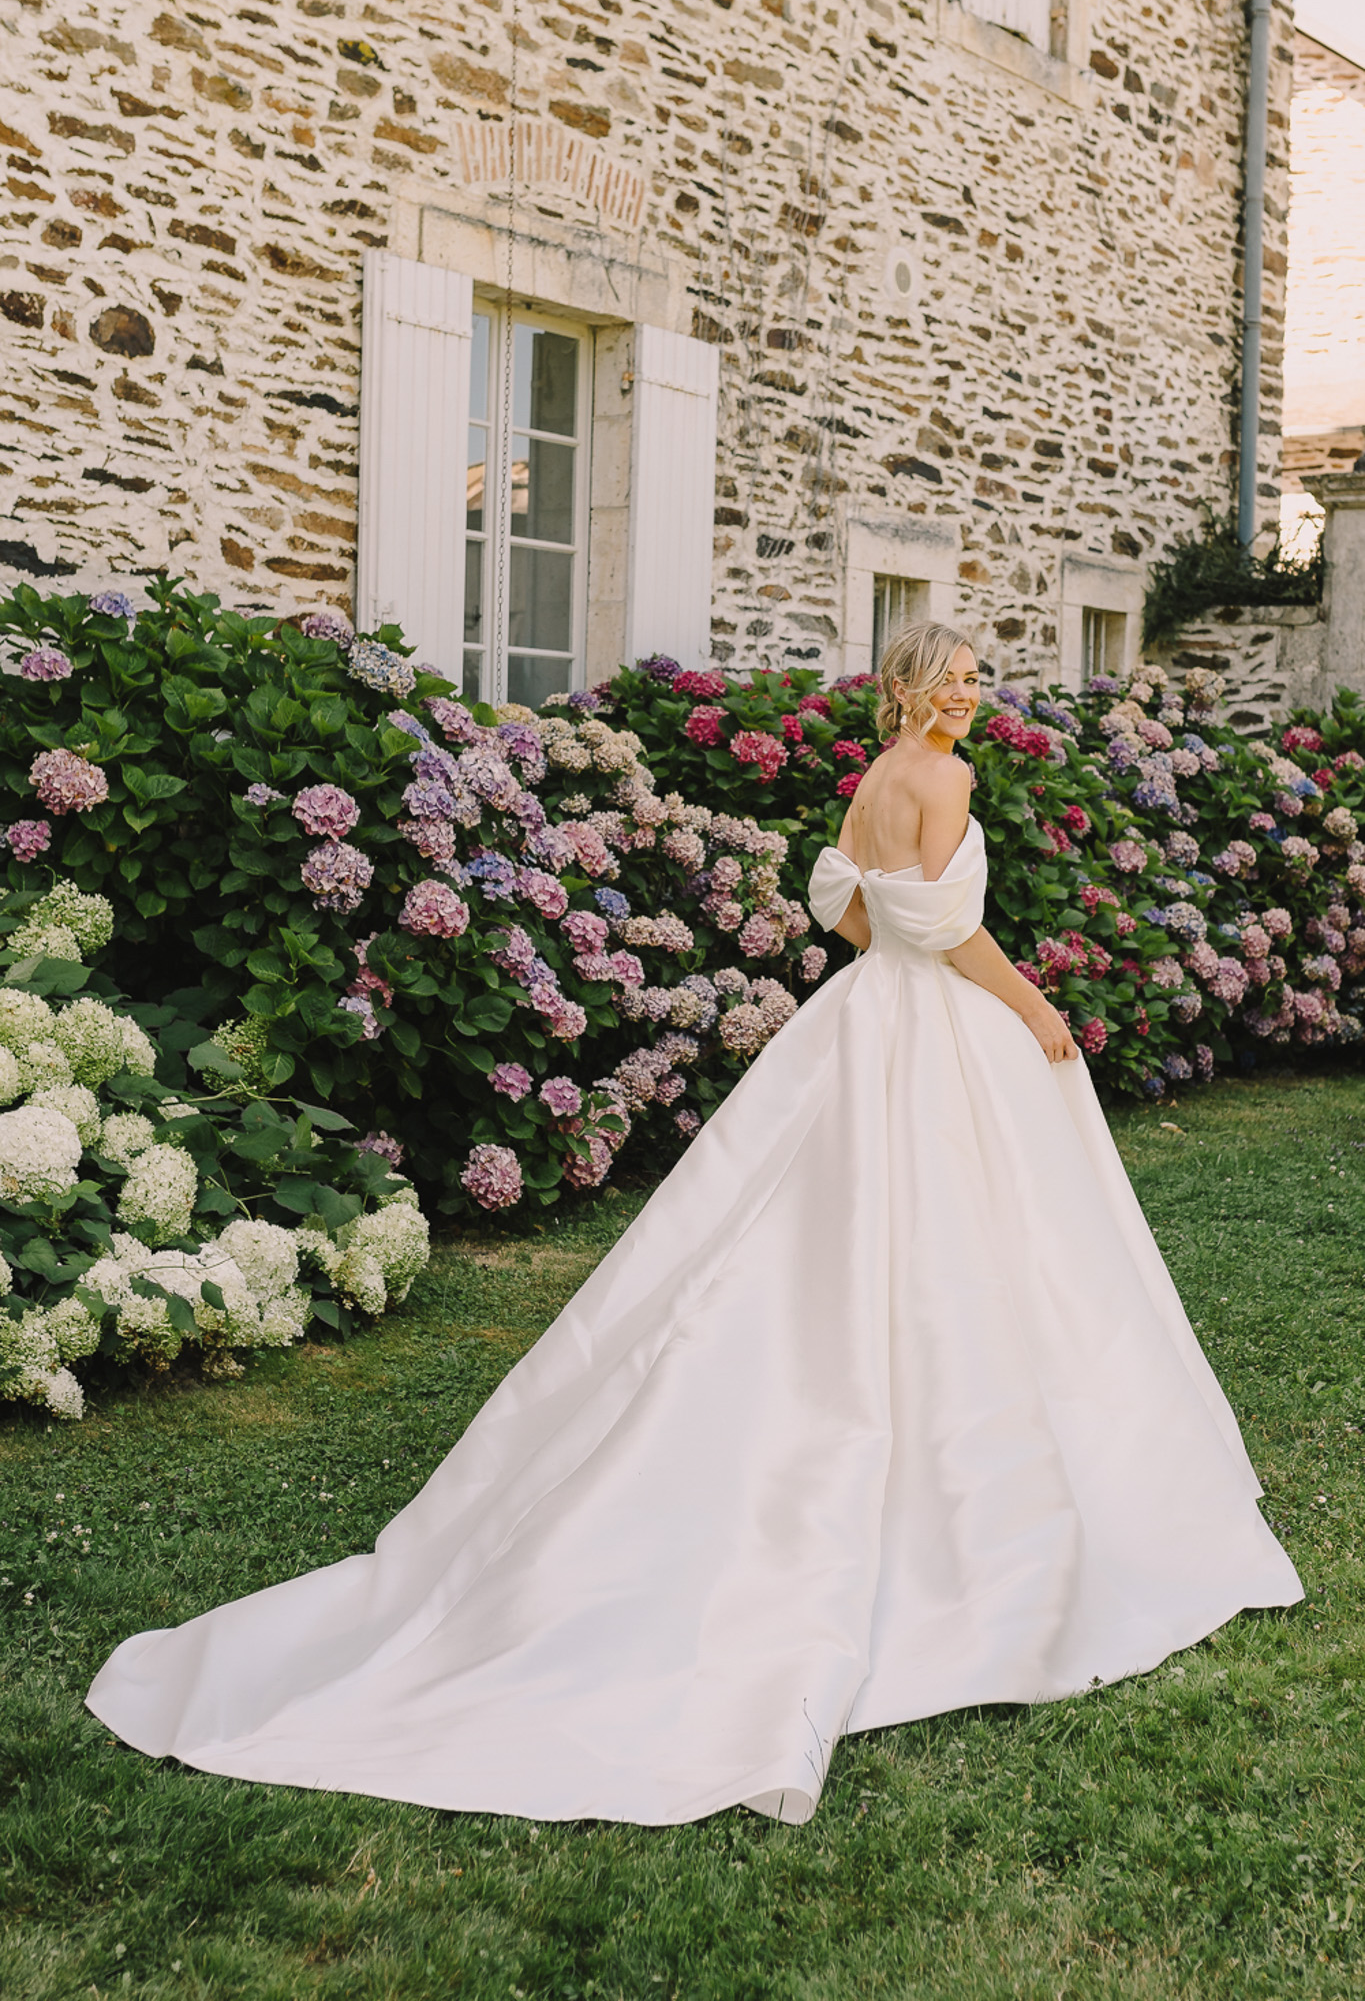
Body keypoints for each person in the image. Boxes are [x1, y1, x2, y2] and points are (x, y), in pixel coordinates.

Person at [87, 622, 1302, 1827]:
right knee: (964, 1235)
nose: (975, 698)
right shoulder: (945, 773)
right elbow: (951, 928)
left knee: (813, 1223)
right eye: (960, 681)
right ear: (917, 690)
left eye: (978, 681)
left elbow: (858, 918)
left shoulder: (875, 778)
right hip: (932, 1020)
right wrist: (1035, 1005)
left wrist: (917, 956)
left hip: (862, 1015)